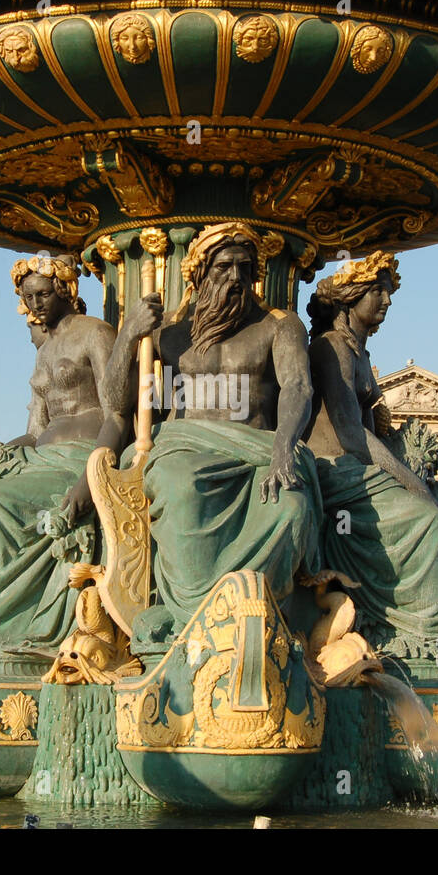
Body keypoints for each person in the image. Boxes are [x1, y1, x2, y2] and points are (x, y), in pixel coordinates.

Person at [107, 222, 321, 626]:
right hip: (185, 449)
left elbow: (298, 387)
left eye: (245, 268)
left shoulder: (280, 325)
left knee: (291, 507)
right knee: (182, 488)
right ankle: (191, 619)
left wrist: (282, 451)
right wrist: (128, 336)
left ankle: (261, 621)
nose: (236, 278)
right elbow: (117, 404)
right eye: (224, 268)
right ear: (201, 274)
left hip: (259, 449)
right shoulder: (167, 333)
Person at [0, 254, 118, 651]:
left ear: (65, 290)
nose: (35, 305)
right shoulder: (44, 351)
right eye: (28, 297)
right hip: (41, 456)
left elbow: (119, 413)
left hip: (79, 456)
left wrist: (90, 478)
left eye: (43, 294)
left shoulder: (96, 333)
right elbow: (35, 432)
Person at [303, 251, 438, 658]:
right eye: (379, 291)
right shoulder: (331, 348)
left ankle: (424, 616)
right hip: (333, 469)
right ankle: (425, 631)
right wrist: (412, 484)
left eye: (389, 292)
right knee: (427, 515)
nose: (387, 301)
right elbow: (351, 433)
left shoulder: (359, 353)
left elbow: (371, 429)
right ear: (351, 297)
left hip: (354, 467)